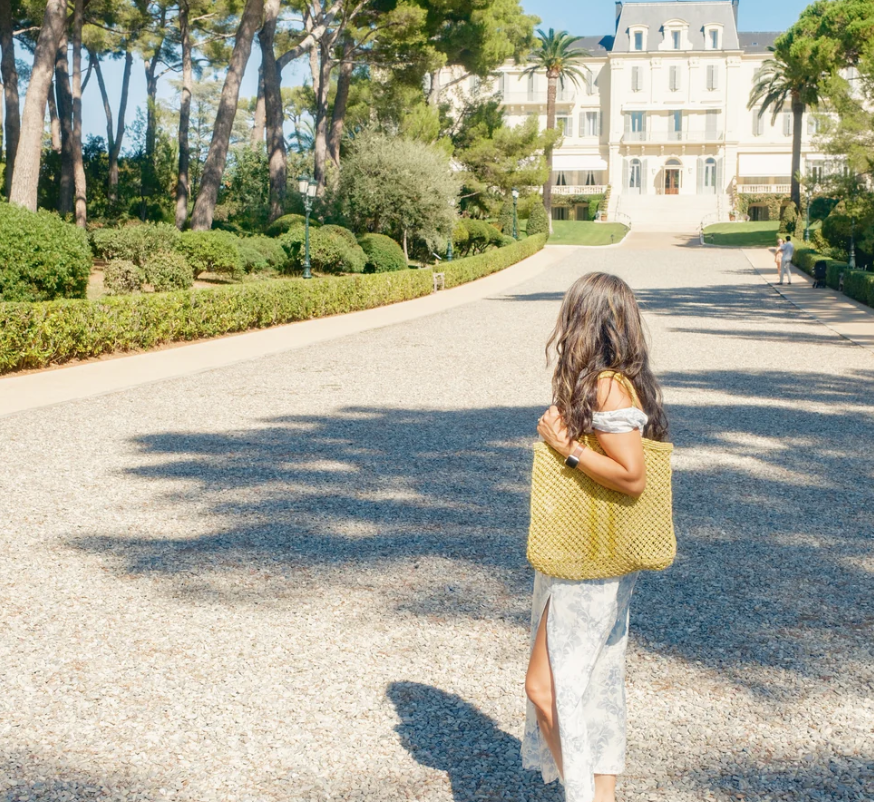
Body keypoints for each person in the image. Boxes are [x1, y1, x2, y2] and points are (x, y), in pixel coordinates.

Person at [522, 272, 669, 802]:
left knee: (548, 688)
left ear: (585, 321)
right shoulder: (608, 383)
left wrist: (568, 449)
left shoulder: (607, 386)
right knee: (594, 688)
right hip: (588, 559)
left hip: (586, 565)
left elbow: (632, 476)